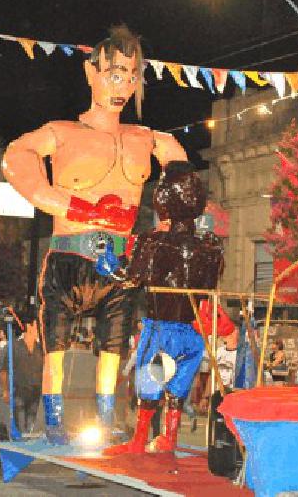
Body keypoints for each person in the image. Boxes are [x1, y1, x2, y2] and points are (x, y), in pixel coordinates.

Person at [2, 25, 189, 445]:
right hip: (69, 254)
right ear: (92, 73)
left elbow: (180, 172)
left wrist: (168, 221)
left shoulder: (146, 139)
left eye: (131, 75)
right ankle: (53, 422)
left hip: (120, 260)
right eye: (114, 73)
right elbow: (16, 155)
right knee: (57, 349)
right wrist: (68, 204)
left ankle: (106, 420)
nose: (122, 85)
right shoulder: (63, 133)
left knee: (113, 349)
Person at [102, 162, 225, 456]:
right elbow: (211, 288)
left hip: (162, 330)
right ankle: (168, 438)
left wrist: (108, 266)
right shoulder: (211, 248)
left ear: (164, 198)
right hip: (193, 333)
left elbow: (130, 279)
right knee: (178, 388)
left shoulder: (154, 242)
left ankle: (139, 440)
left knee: (150, 382)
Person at [0, 314, 44, 434]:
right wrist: (5, 391)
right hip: (18, 390)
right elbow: (4, 371)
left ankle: (25, 441)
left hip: (35, 392)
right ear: (29, 327)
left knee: (30, 424)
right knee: (20, 423)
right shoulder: (14, 347)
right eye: (36, 326)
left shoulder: (40, 349)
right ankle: (19, 441)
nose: (38, 329)